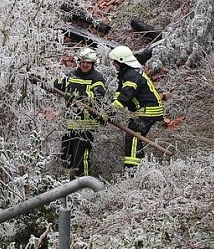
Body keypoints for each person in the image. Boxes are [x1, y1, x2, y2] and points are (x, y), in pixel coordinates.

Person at [53, 47, 108, 177]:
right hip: (69, 124)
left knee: (81, 158)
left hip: (85, 126)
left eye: (88, 62)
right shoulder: (70, 76)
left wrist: (79, 96)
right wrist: (43, 81)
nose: (85, 65)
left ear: (93, 63)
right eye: (83, 62)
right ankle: (68, 183)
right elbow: (56, 85)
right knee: (66, 156)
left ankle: (83, 183)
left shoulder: (97, 78)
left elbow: (99, 94)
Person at [108, 45, 165, 169]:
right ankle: (136, 168)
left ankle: (133, 170)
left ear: (122, 62)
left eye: (115, 62)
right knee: (133, 137)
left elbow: (125, 96)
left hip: (147, 111)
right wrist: (108, 109)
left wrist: (110, 112)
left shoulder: (132, 76)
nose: (114, 65)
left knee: (133, 137)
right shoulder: (127, 74)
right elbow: (119, 95)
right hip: (144, 110)